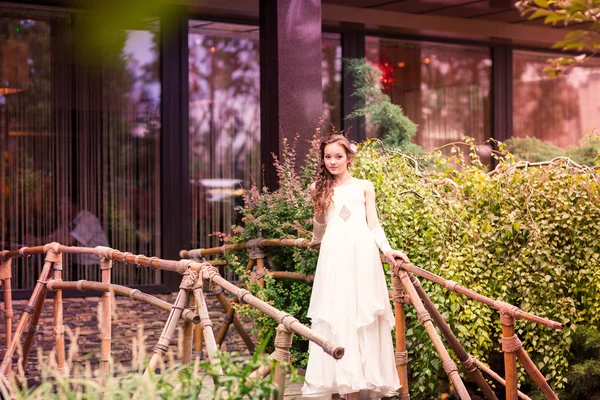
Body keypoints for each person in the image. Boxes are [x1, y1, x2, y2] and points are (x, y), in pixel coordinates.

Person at [301, 134, 410, 400]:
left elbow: (373, 224)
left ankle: (359, 384)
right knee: (338, 313)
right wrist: (314, 239)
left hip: (362, 254)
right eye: (328, 157)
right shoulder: (318, 187)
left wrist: (388, 250)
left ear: (349, 157)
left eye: (338, 156)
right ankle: (340, 381)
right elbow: (319, 225)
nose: (332, 162)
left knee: (362, 314)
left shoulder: (364, 186)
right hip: (334, 254)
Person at [24, 196, 109, 280]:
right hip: (79, 266)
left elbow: (69, 240)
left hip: (94, 266)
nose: (59, 208)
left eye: (62, 204)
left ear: (74, 206)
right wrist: (32, 241)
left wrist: (37, 240)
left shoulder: (88, 219)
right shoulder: (68, 221)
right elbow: (54, 238)